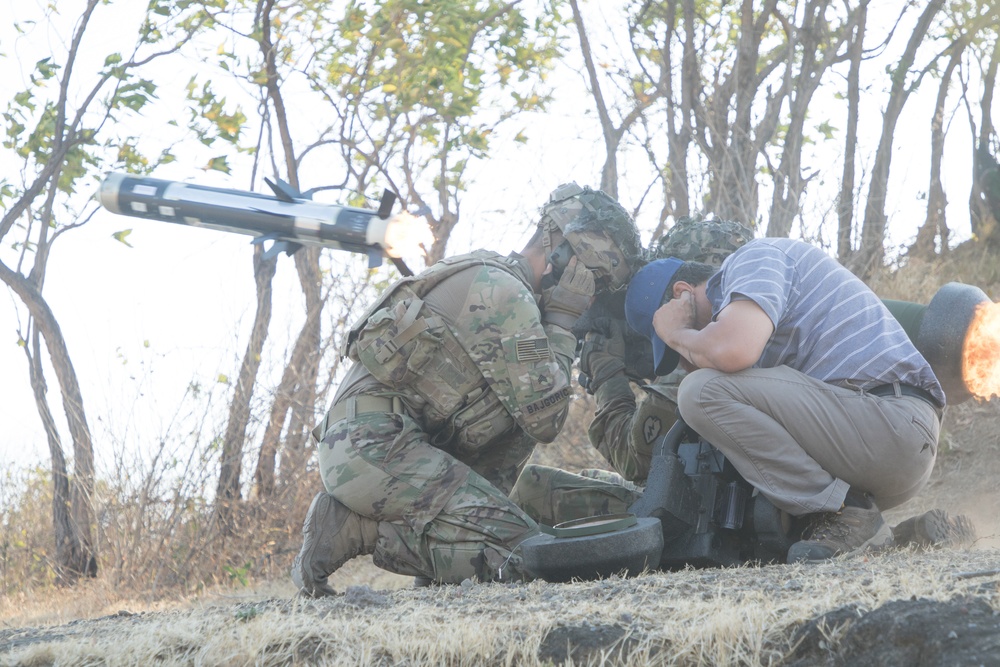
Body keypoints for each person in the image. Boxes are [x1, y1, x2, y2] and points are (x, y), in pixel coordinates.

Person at [290, 183, 642, 595]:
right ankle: (353, 530)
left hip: (393, 445)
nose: (593, 295)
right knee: (526, 559)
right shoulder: (505, 294)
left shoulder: (505, 285)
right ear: (561, 254)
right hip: (372, 447)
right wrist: (562, 319)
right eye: (594, 279)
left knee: (517, 503)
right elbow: (546, 418)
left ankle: (443, 555)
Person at [624, 237, 944, 562]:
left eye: (675, 352)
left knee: (699, 391)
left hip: (890, 421)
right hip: (878, 450)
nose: (683, 360)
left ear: (682, 294)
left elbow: (731, 350)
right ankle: (899, 535)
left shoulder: (753, 260)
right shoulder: (757, 319)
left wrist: (677, 334)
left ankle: (848, 510)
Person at [510, 217, 753, 524]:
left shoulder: (700, 348)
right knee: (586, 477)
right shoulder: (752, 323)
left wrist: (608, 374)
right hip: (724, 496)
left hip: (707, 513)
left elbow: (633, 462)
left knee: (532, 487)